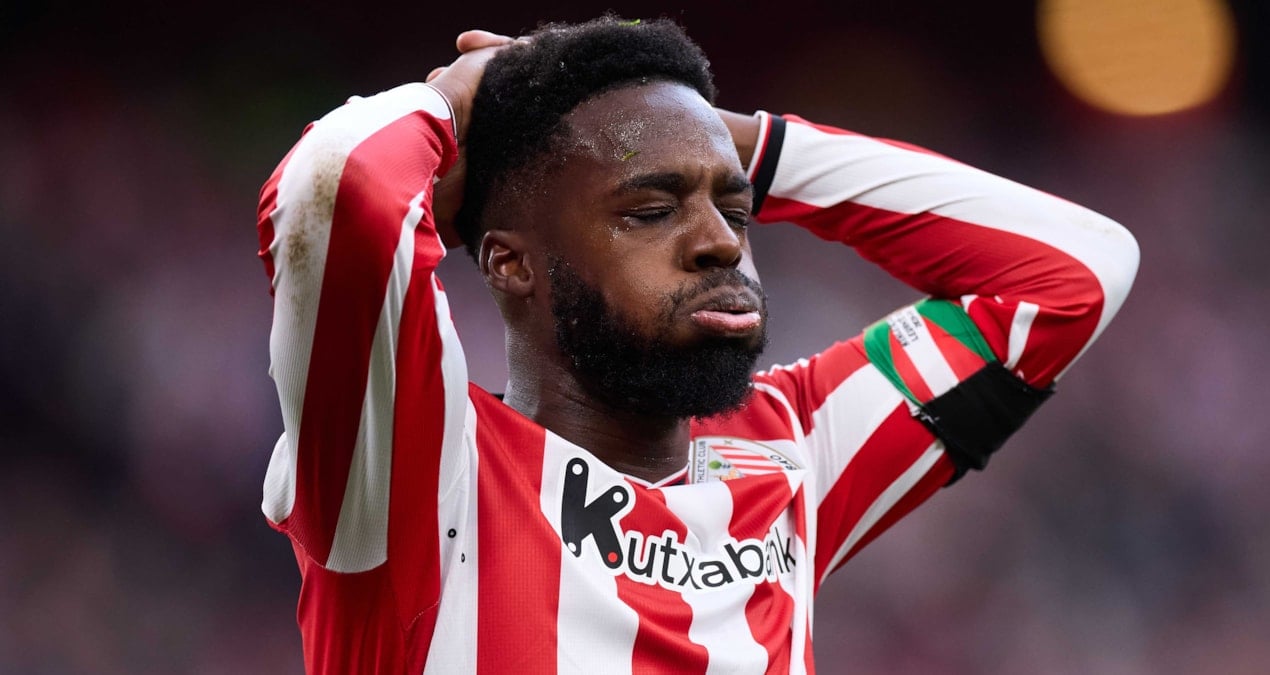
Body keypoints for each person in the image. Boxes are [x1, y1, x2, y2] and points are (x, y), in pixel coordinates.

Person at [255, 17, 1138, 674]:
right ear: (512, 263)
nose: (721, 242)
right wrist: (456, 102)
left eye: (736, 206)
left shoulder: (786, 452)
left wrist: (718, 136)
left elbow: (1075, 273)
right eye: (651, 209)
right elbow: (339, 189)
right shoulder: (415, 471)